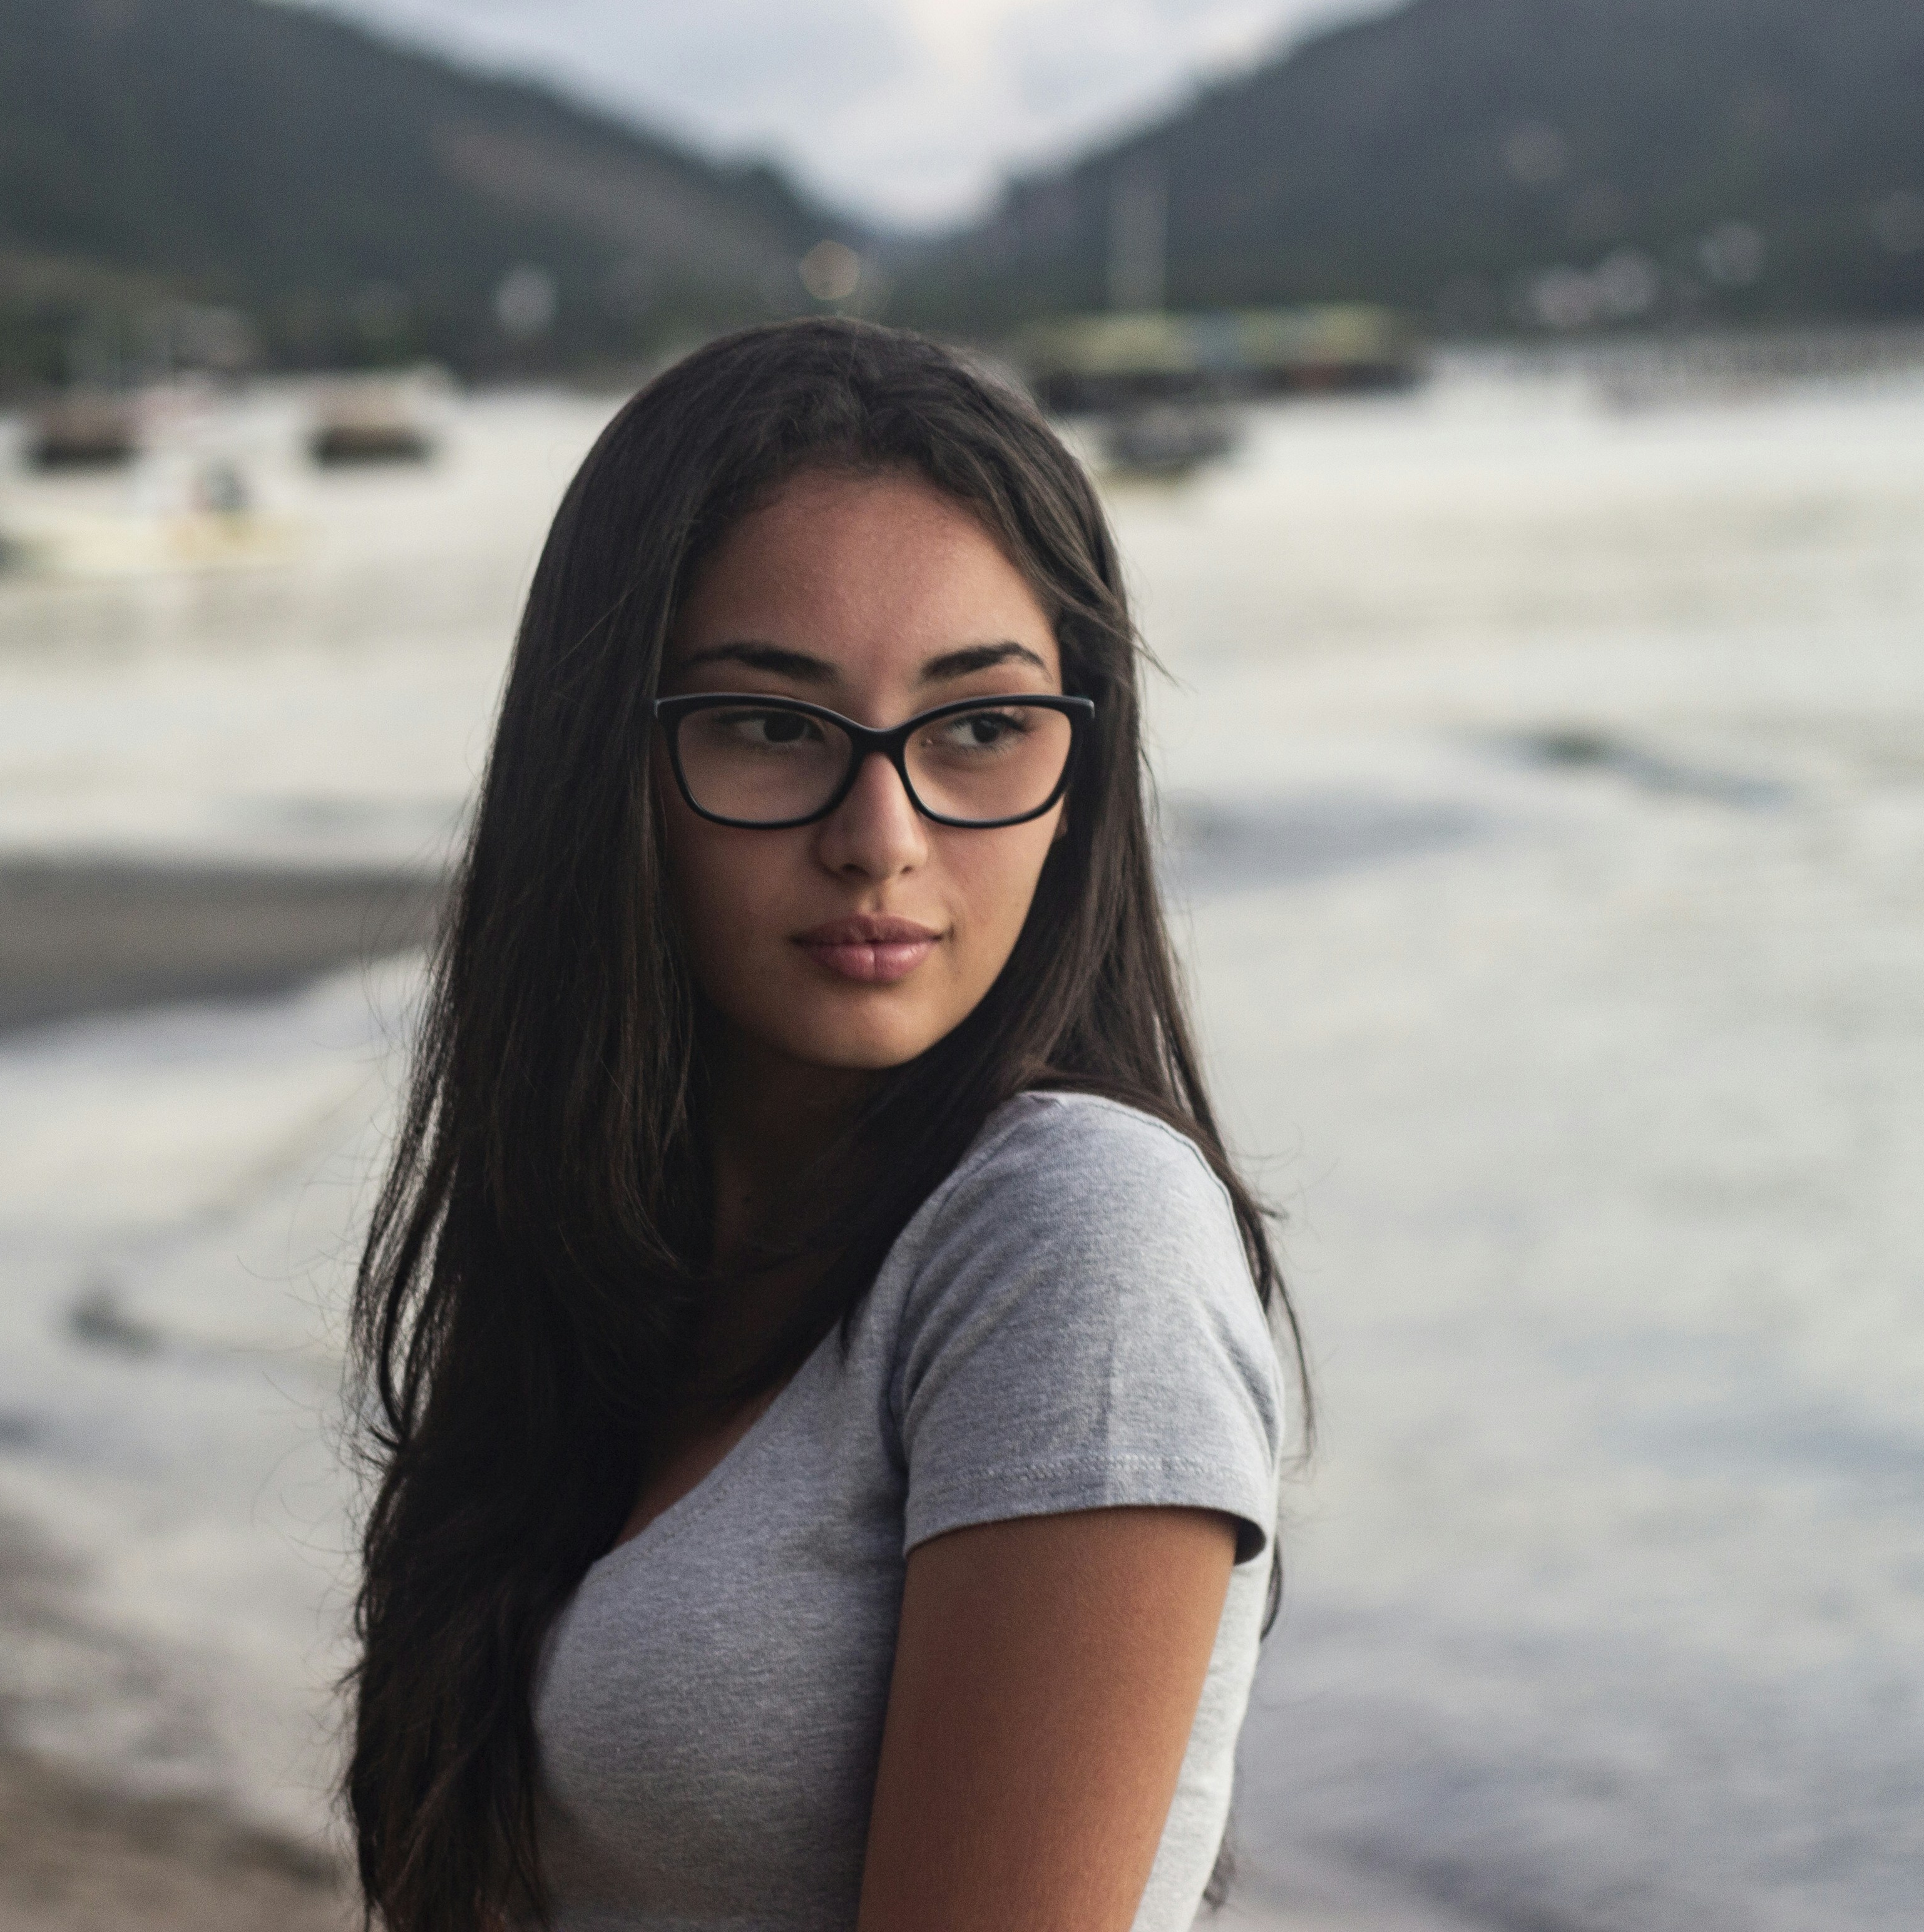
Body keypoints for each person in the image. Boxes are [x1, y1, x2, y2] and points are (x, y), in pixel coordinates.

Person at [348, 319, 1296, 1932]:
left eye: (981, 727)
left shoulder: (1079, 1236)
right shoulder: (628, 1263)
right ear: (611, 770)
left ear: (1083, 767)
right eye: (774, 726)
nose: (883, 837)